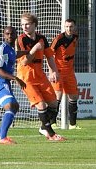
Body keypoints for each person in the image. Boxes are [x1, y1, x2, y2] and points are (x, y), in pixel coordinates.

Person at [15, 12, 65, 141]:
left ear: (34, 25)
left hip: (40, 74)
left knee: (54, 103)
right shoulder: (21, 39)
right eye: (22, 25)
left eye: (27, 24)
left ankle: (44, 127)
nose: (24, 27)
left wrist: (54, 71)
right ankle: (51, 134)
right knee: (41, 104)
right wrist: (34, 49)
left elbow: (49, 56)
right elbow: (25, 61)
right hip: (26, 76)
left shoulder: (42, 38)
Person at [0, 26, 26, 144]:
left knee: (15, 106)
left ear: (16, 35)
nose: (9, 36)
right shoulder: (1, 49)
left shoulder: (10, 50)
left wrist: (29, 52)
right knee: (11, 105)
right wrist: (15, 78)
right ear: (3, 35)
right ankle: (2, 138)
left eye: (11, 34)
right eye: (7, 34)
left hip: (5, 83)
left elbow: (15, 54)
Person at [51, 18, 80, 129]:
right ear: (64, 27)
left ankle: (73, 125)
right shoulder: (59, 39)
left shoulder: (76, 37)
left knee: (73, 96)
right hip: (59, 71)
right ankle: (53, 123)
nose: (69, 29)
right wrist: (52, 71)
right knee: (57, 95)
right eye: (67, 26)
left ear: (74, 27)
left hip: (70, 72)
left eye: (71, 26)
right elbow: (50, 55)